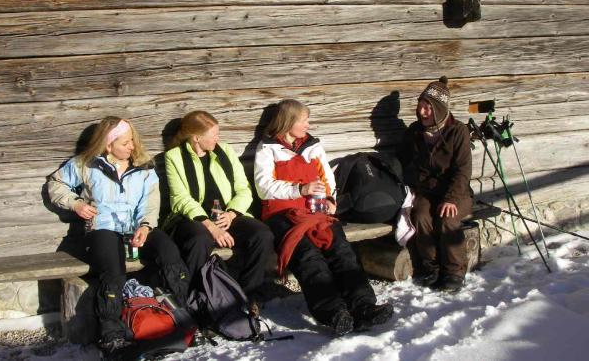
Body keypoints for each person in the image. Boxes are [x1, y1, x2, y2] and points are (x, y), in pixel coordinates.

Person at [47, 117, 191, 353]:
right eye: (125, 142)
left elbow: (151, 201)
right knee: (113, 269)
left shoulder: (144, 166)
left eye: (132, 141)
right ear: (108, 144)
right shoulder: (86, 164)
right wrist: (76, 204)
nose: (132, 146)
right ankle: (111, 333)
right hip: (102, 230)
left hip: (136, 228)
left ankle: (180, 316)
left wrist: (145, 226)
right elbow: (56, 184)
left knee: (168, 251)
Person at [254, 99, 393, 336]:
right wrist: (299, 190)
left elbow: (327, 177)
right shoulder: (267, 149)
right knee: (308, 257)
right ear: (288, 122)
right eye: (303, 120)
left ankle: (364, 306)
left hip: (315, 211)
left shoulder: (313, 146)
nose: (309, 124)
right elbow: (263, 186)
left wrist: (330, 200)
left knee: (341, 249)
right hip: (282, 214)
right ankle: (333, 312)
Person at [163, 111, 274, 315]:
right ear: (196, 138)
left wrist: (231, 214)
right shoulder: (175, 158)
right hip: (192, 219)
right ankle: (198, 301)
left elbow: (243, 189)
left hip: (226, 215)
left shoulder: (225, 152)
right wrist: (211, 226)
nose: (217, 138)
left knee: (262, 235)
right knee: (199, 239)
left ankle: (248, 296)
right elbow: (180, 198)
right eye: (213, 134)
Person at [399, 76, 473, 293]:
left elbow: (463, 170)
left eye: (428, 108)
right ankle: (431, 266)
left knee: (447, 218)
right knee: (421, 215)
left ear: (440, 109)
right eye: (421, 107)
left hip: (456, 193)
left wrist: (451, 198)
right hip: (426, 192)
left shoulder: (457, 131)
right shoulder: (414, 132)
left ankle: (454, 271)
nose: (422, 112)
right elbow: (402, 159)